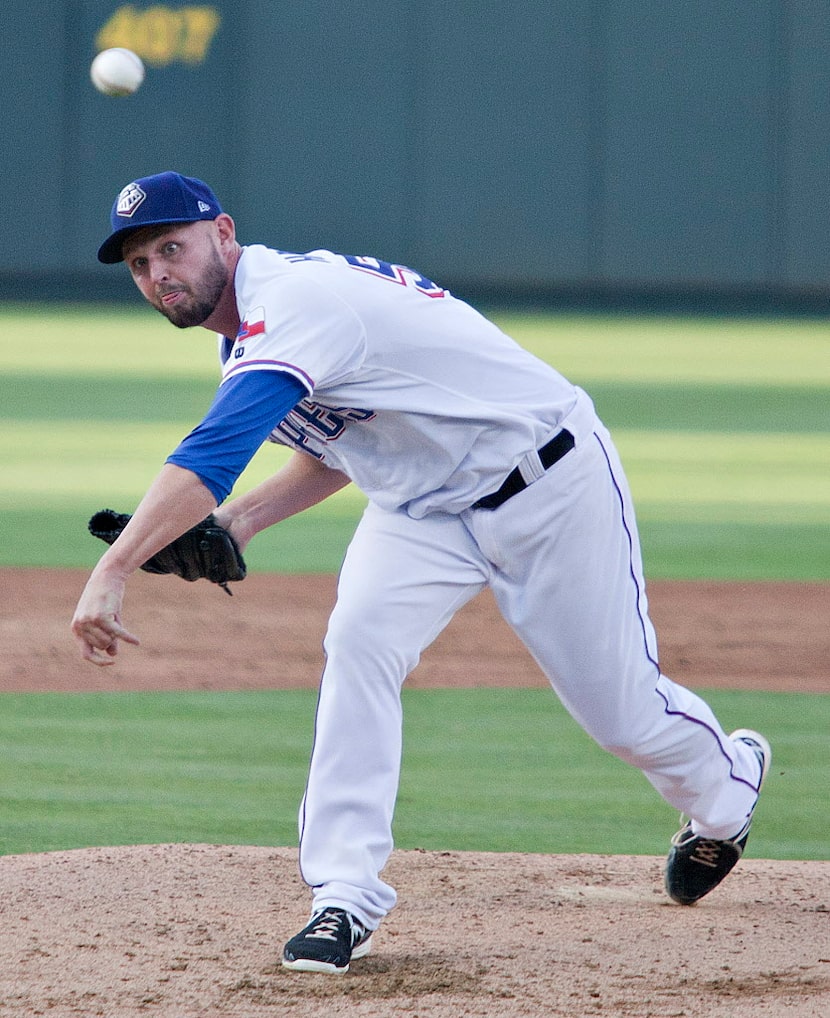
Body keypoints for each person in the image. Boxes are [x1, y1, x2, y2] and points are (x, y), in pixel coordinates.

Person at [72, 171, 771, 974]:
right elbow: (339, 450)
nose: (160, 273)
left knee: (621, 714)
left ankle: (727, 790)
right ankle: (344, 895)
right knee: (360, 645)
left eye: (173, 247)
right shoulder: (251, 338)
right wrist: (240, 523)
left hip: (546, 479)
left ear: (224, 234)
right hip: (421, 511)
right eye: (139, 265)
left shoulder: (297, 305)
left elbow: (215, 449)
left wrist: (113, 567)